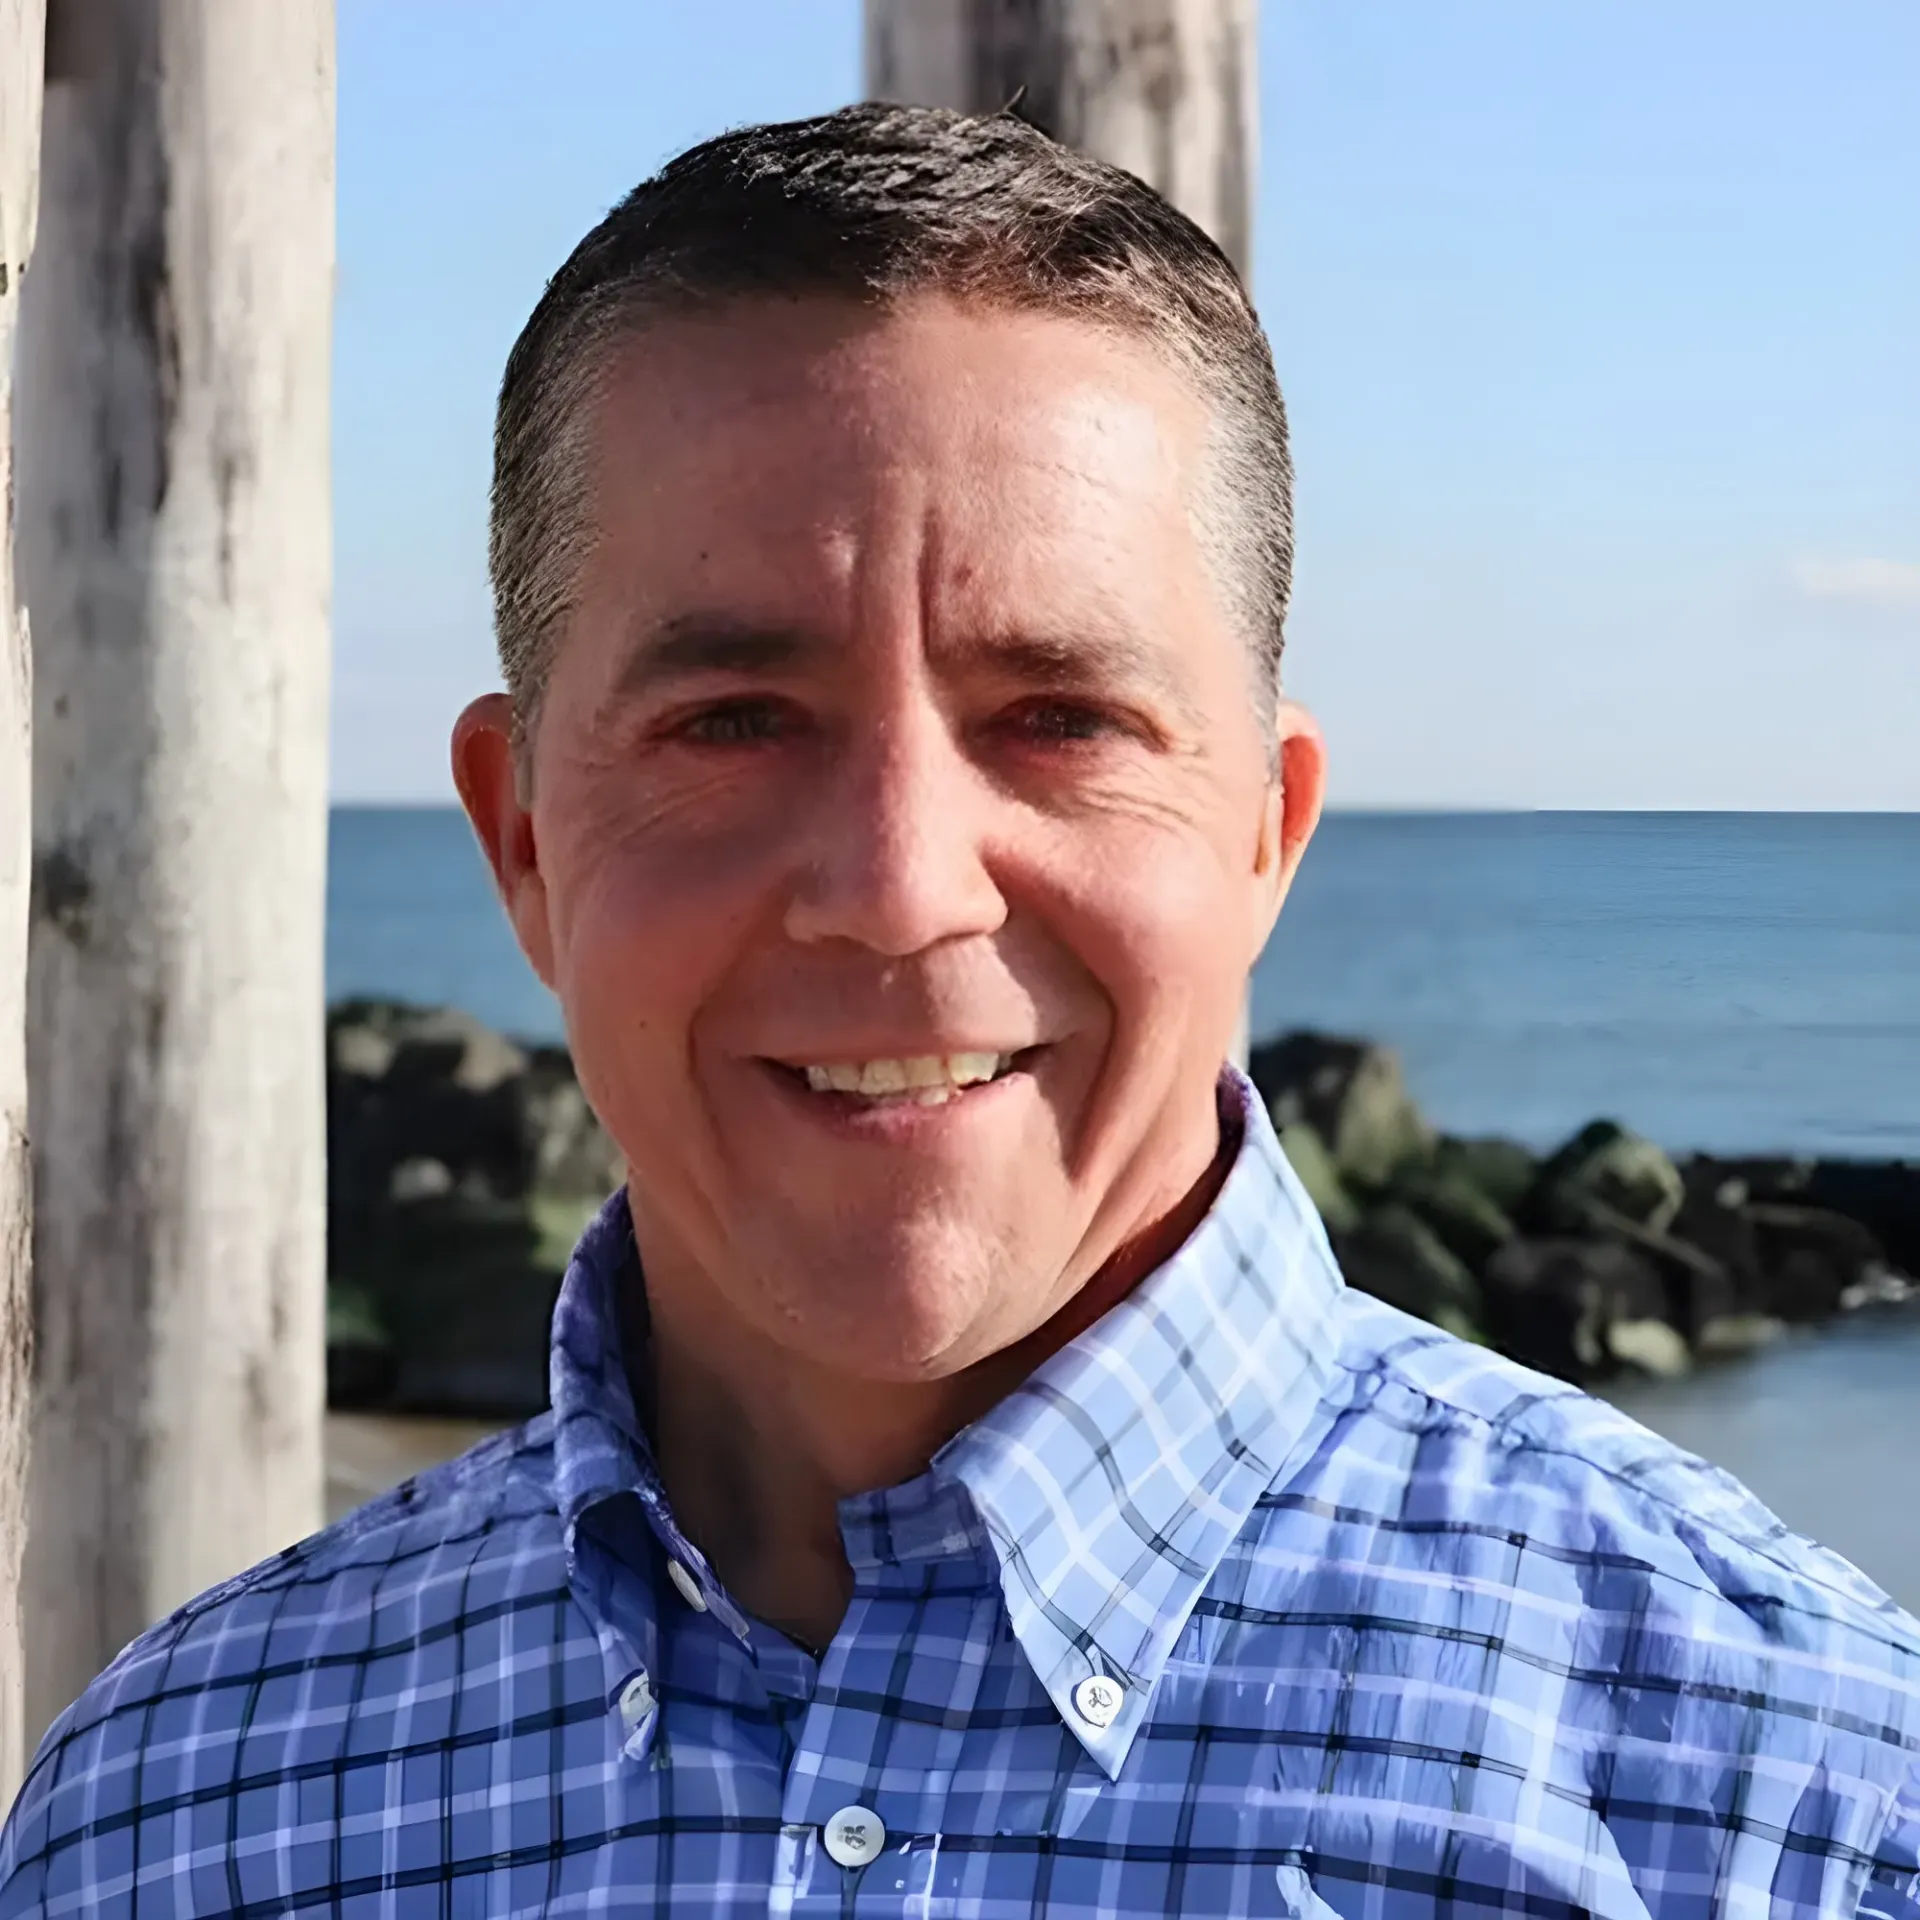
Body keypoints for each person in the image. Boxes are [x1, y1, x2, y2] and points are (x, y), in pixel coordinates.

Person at [2, 102, 1915, 1920]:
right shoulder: (179, 1820)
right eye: (735, 721)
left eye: (1062, 719)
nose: (904, 882)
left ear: (1266, 830)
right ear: (521, 841)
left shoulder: (1794, 1809)